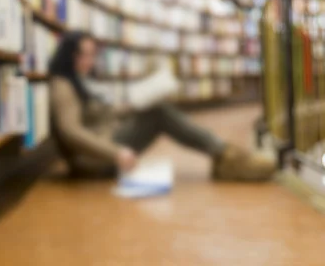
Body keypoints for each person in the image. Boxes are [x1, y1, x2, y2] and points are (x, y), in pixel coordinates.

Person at [48, 31, 276, 181]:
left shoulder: (79, 80)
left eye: (92, 54)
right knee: (159, 114)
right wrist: (116, 153)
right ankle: (225, 156)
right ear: (70, 55)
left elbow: (99, 116)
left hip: (108, 142)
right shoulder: (63, 85)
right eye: (84, 55)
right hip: (95, 159)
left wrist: (133, 105)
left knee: (155, 109)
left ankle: (223, 154)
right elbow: (71, 132)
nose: (90, 60)